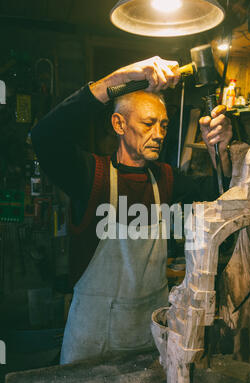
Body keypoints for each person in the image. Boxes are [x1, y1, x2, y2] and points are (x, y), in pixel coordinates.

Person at [31, 56, 233, 365]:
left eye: (163, 125)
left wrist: (221, 152)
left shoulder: (165, 179)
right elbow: (45, 137)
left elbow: (220, 193)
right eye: (149, 123)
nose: (160, 133)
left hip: (147, 336)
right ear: (119, 124)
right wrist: (115, 80)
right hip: (91, 341)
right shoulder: (89, 175)